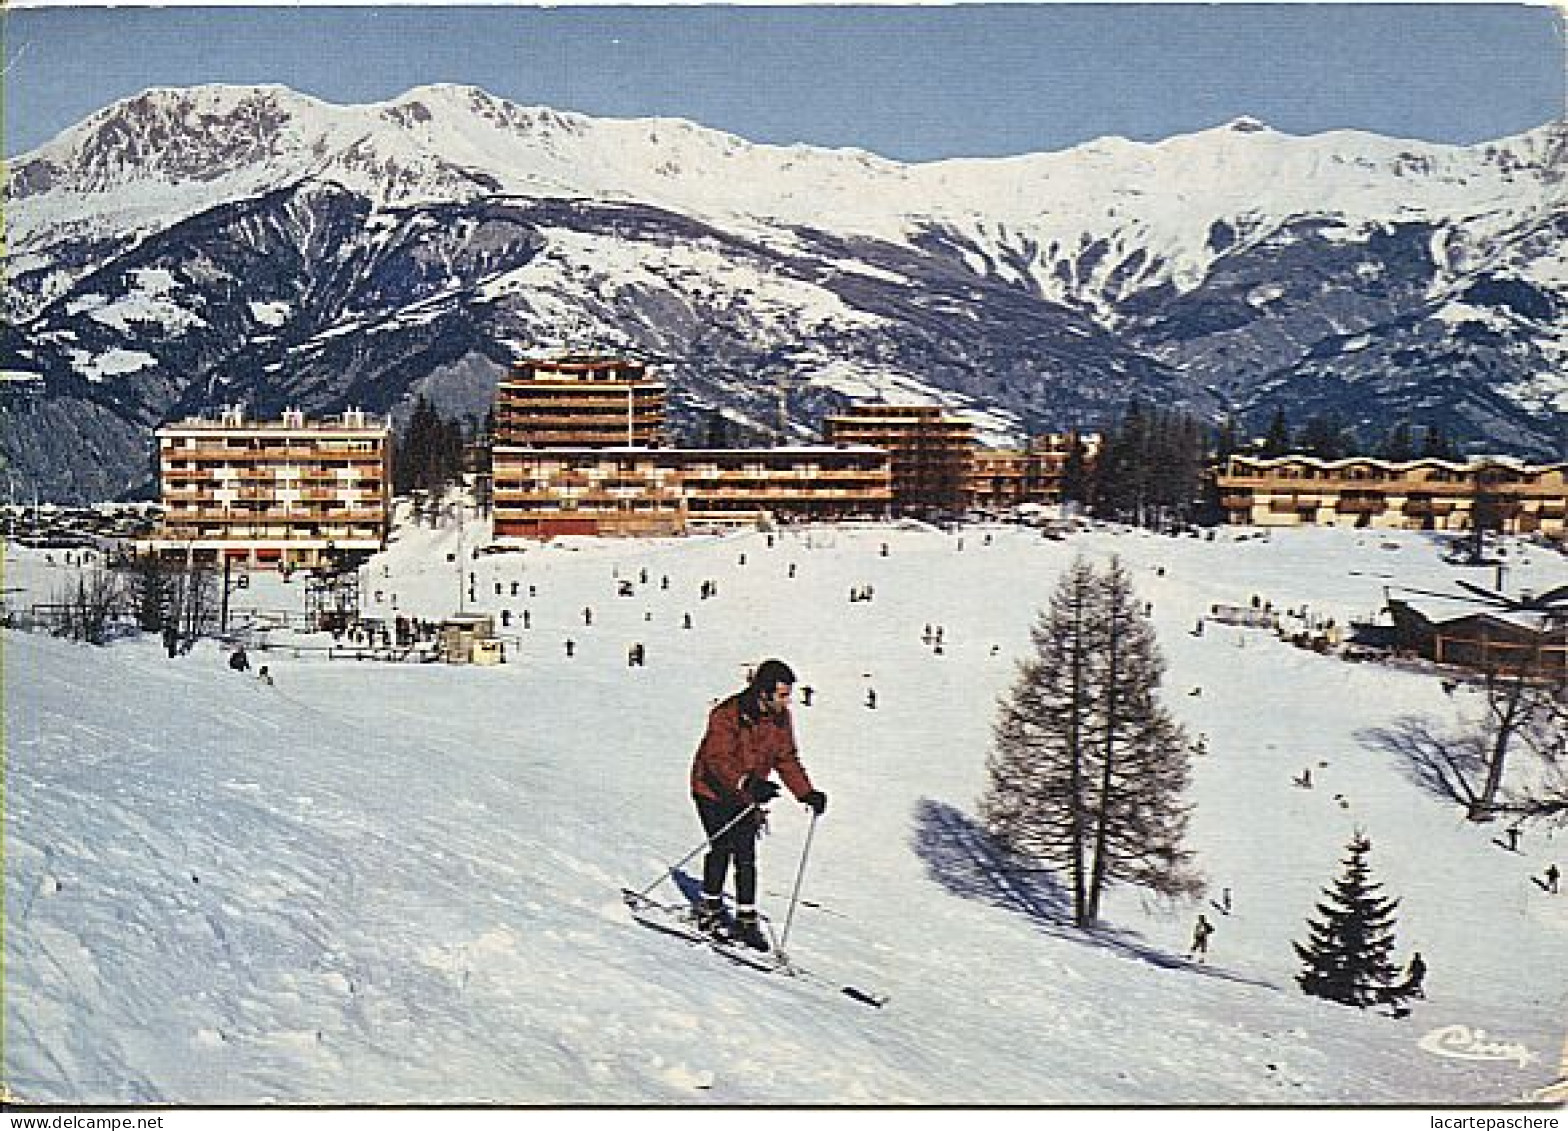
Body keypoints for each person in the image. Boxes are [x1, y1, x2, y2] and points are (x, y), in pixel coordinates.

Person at [689, 659, 827, 952]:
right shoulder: (728, 714)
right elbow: (716, 760)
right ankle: (709, 908)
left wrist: (806, 793)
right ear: (763, 692)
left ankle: (746, 919)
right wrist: (745, 783)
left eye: (788, 694)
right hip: (711, 789)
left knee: (746, 853)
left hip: (745, 793)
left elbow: (785, 758)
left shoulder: (780, 718)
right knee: (722, 845)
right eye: (782, 694)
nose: (787, 701)